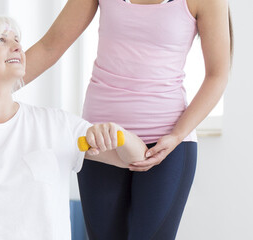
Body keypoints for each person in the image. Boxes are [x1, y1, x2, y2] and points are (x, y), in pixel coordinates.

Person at [0, 15, 148, 239]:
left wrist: (118, 136)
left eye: (17, 40)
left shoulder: (55, 125)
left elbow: (137, 158)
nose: (17, 47)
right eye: (1, 40)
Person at [24, 0, 231, 238]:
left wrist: (176, 135)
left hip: (166, 144)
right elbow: (49, 47)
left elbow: (217, 75)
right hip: (101, 143)